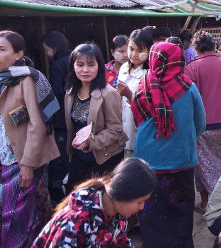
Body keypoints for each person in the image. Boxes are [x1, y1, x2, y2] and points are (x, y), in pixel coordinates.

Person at [132, 42, 206, 247]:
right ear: (178, 59)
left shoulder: (143, 84)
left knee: (151, 216)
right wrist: (184, 140)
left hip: (148, 164)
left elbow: (137, 121)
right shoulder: (188, 87)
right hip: (181, 162)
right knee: (180, 217)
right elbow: (200, 124)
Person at [0, 30, 60, 246]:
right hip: (2, 158)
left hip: (20, 158)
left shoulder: (28, 79)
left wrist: (27, 165)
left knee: (12, 215)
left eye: (2, 49)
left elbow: (37, 124)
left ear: (18, 54)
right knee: (27, 210)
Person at [32, 157, 156, 247]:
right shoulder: (76, 222)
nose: (142, 207)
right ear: (124, 193)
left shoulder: (118, 215)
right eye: (139, 201)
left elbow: (121, 242)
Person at [185, 32, 221, 214]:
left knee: (204, 166)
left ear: (196, 49)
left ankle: (208, 202)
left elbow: (189, 100)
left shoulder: (191, 67)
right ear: (214, 47)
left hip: (203, 125)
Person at [64, 43, 126, 193]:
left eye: (91, 65)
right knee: (75, 195)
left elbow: (115, 129)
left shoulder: (108, 93)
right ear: (73, 66)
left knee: (100, 200)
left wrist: (91, 142)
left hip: (104, 157)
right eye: (80, 65)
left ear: (99, 66)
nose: (85, 70)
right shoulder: (70, 92)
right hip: (79, 155)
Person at [42, 31, 72, 203]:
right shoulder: (73, 58)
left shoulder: (57, 65)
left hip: (61, 119)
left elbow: (56, 93)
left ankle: (60, 198)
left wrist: (46, 116)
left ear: (54, 47)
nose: (47, 54)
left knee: (60, 159)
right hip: (77, 115)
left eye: (47, 50)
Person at [116, 29, 152, 158]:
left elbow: (149, 108)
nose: (134, 54)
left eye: (140, 50)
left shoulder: (150, 74)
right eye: (131, 49)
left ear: (149, 51)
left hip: (138, 132)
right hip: (121, 131)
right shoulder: (124, 68)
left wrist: (129, 95)